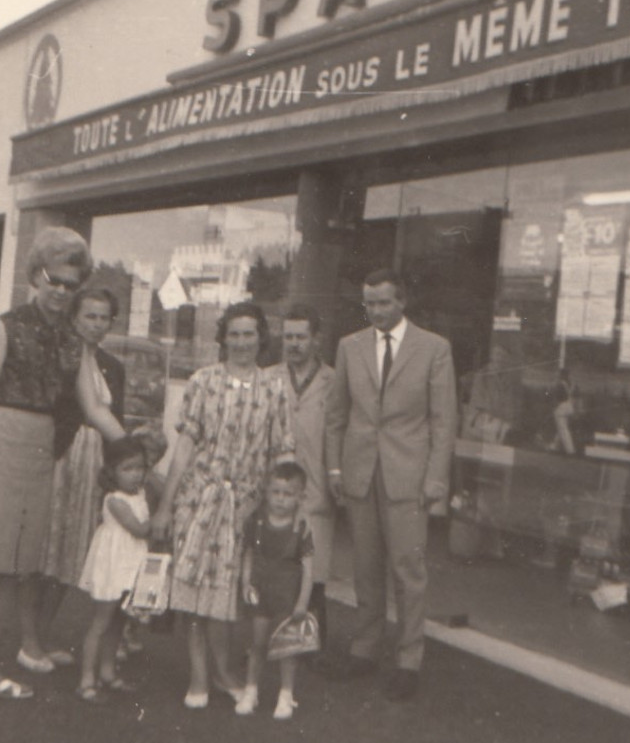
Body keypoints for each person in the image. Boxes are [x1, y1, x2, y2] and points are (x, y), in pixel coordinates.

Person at [0, 227, 124, 721]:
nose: (61, 291)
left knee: (14, 564)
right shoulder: (3, 327)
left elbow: (94, 408)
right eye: (53, 280)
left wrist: (132, 449)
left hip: (40, 454)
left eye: (70, 283)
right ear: (34, 277)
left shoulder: (74, 343)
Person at [149, 302, 293, 710]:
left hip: (244, 507)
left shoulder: (273, 388)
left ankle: (224, 672)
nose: (242, 342)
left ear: (261, 338)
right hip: (199, 500)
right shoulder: (202, 381)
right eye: (235, 334)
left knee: (227, 596)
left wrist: (279, 509)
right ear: (223, 338)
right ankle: (198, 676)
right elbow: (185, 447)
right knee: (194, 594)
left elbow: (281, 452)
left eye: (250, 334)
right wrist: (166, 506)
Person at [324, 268, 458, 701]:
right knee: (365, 567)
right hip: (360, 472)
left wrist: (436, 477)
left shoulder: (434, 349)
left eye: (384, 302)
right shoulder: (350, 346)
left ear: (402, 302)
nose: (376, 311)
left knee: (408, 569)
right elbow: (336, 415)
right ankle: (364, 649)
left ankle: (409, 659)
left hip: (409, 476)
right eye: (369, 303)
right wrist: (335, 470)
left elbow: (443, 420)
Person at [19, 287, 126, 673]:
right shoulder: (61, 357)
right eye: (89, 316)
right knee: (43, 551)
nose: (96, 324)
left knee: (70, 555)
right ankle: (29, 642)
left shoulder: (112, 366)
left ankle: (42, 639)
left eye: (103, 318)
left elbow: (118, 421)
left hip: (93, 466)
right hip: (60, 459)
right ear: (75, 318)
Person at [234, 461, 315, 720]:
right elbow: (248, 554)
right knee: (257, 644)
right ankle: (250, 690)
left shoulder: (301, 528)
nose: (281, 500)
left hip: (287, 597)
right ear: (266, 492)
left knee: (286, 649)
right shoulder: (256, 522)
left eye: (288, 494)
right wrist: (246, 583)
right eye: (276, 492)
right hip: (261, 591)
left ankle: (286, 694)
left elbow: (309, 571)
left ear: (300, 497)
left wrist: (302, 602)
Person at [276, 304, 336, 648]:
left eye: (301, 337)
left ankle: (311, 646)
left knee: (314, 570)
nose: (294, 344)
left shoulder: (334, 381)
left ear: (316, 339)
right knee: (278, 564)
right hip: (279, 486)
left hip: (316, 485)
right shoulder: (269, 377)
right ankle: (271, 640)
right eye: (288, 337)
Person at [75, 436, 151, 704]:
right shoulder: (115, 500)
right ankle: (86, 678)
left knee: (119, 620)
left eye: (139, 467)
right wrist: (166, 520)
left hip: (129, 562)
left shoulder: (138, 494)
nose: (135, 475)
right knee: (102, 621)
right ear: (112, 472)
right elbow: (139, 528)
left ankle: (107, 671)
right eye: (127, 469)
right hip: (113, 563)